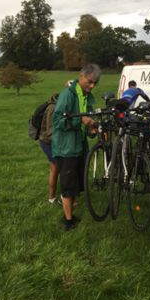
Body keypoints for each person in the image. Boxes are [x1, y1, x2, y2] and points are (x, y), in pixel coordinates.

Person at [52, 63, 101, 231]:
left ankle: (71, 213)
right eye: (90, 81)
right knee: (68, 185)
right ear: (81, 76)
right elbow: (57, 122)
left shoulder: (86, 97)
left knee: (77, 184)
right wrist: (79, 120)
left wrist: (92, 129)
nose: (92, 86)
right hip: (66, 149)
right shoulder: (68, 95)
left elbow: (88, 122)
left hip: (80, 146)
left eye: (96, 83)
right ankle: (68, 221)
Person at [39, 93, 60, 204]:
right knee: (55, 168)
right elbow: (50, 132)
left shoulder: (54, 106)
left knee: (57, 168)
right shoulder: (53, 108)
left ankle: (59, 195)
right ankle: (52, 198)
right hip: (48, 142)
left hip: (50, 142)